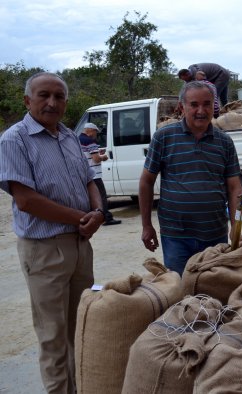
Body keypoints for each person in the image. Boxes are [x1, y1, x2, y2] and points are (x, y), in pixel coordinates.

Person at [0, 72, 105, 393]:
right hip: (44, 250)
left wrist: (99, 212)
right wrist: (81, 218)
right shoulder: (13, 139)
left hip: (79, 245)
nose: (52, 102)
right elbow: (26, 199)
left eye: (59, 97)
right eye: (44, 95)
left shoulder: (70, 137)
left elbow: (90, 179)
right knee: (53, 336)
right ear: (27, 100)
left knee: (80, 330)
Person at [139, 81, 242, 276]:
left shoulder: (225, 142)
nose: (201, 110)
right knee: (181, 291)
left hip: (215, 235)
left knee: (214, 290)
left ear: (214, 106)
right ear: (182, 106)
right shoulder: (163, 137)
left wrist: (236, 227)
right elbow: (146, 182)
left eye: (207, 104)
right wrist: (146, 225)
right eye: (194, 104)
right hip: (176, 237)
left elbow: (234, 188)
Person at [79, 123, 121, 226]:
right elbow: (96, 159)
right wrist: (103, 157)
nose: (96, 135)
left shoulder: (77, 140)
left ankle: (88, 218)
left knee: (88, 197)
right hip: (95, 175)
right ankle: (107, 217)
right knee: (101, 196)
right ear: (90, 130)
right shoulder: (90, 141)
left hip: (84, 174)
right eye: (95, 132)